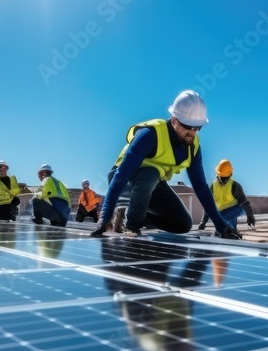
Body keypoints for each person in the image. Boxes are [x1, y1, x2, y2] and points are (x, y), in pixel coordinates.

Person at [90, 90, 241, 239]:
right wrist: (104, 216)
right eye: (188, 127)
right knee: (150, 174)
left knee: (182, 224)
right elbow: (121, 175)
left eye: (197, 128)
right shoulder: (150, 135)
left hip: (152, 183)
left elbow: (201, 187)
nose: (193, 133)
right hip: (125, 182)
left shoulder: (193, 147)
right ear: (174, 120)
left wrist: (221, 226)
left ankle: (130, 217)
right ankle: (132, 226)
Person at [197, 159, 256, 232]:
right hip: (223, 214)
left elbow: (244, 203)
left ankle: (227, 229)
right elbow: (208, 205)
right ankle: (231, 231)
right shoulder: (216, 187)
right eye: (223, 177)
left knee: (224, 218)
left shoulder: (231, 186)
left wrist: (250, 216)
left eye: (225, 177)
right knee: (240, 209)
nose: (224, 180)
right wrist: (203, 222)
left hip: (227, 213)